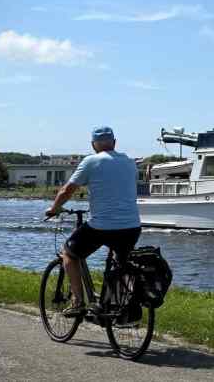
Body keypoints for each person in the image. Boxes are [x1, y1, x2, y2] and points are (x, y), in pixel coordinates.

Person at [45, 126, 141, 318]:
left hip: (102, 226)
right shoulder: (130, 162)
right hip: (132, 226)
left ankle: (78, 302)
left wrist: (54, 209)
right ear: (114, 142)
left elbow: (67, 190)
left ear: (93, 145)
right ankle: (117, 306)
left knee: (69, 253)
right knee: (120, 263)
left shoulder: (91, 161)